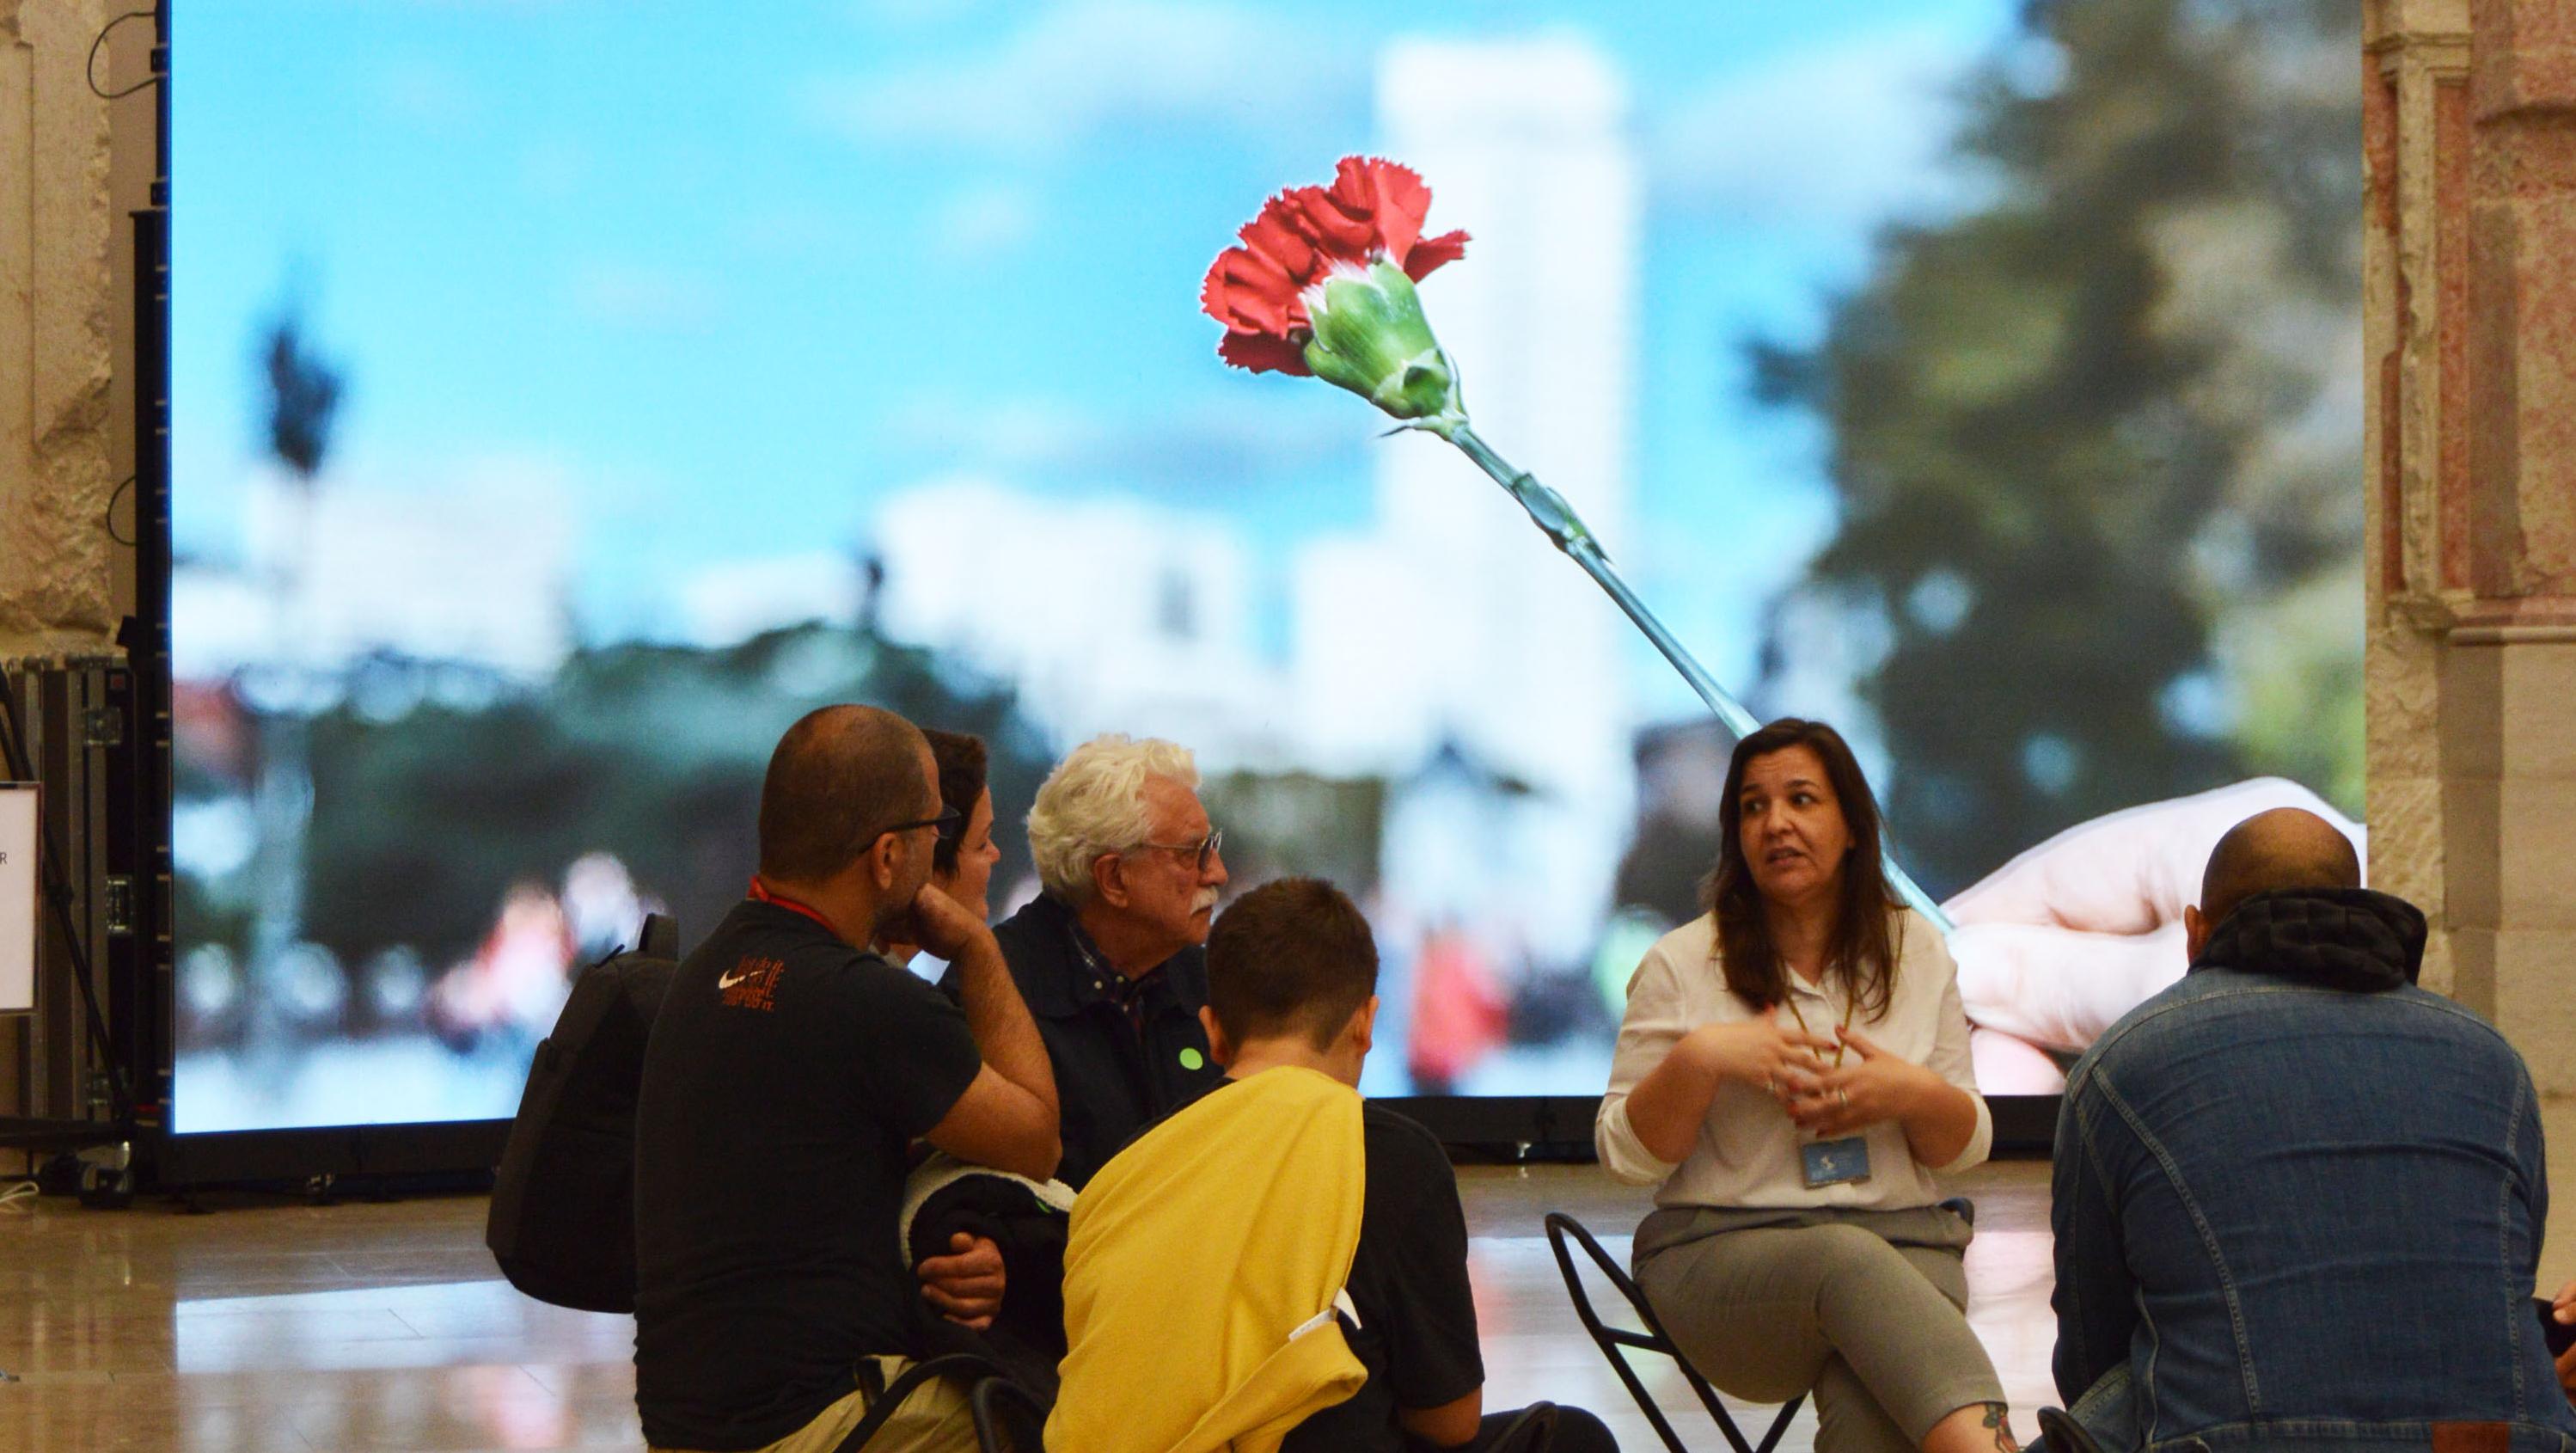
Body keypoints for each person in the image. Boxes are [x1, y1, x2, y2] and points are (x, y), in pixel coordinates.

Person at [2043, 807, 2576, 1451]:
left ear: (2193, 931)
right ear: (2361, 909)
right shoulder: (2494, 1061)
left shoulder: (2120, 1063)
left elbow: (2089, 1356)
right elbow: (2503, 1276)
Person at [1052, 877, 1619, 1453]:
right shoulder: (1395, 1157)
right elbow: (1448, 1423)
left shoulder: (1127, 1167)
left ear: (1214, 1033)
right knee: (1574, 1438)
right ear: (1365, 1023)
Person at [632, 705, 1059, 1453]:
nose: (947, 845)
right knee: (1095, 1408)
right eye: (938, 827)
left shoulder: (707, 970)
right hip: (815, 1422)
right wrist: (978, 951)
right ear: (888, 857)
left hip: (686, 1422)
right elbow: (1035, 1141)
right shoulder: (864, 999)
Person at [1597, 717, 2018, 1453]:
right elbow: (1627, 1158)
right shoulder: (1679, 963)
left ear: (1852, 824)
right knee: (1846, 1260)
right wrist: (1702, 1059)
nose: (1775, 824)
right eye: (1753, 808)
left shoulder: (1916, 949)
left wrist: (1908, 1095)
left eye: (1800, 800)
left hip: (1906, 1243)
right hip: (1723, 1261)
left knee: (1872, 1411)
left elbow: (1963, 1149)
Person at [949, 733, 1229, 1190]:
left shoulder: (1212, 984)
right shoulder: (991, 989)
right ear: (1114, 878)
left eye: (1212, 846)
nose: (1217, 872)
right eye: (1192, 853)